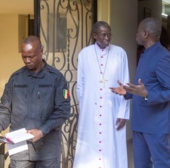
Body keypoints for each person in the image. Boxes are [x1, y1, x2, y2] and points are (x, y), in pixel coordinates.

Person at [110, 17, 170, 168]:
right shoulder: (145, 54)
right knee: (140, 164)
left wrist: (147, 94)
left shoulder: (163, 56)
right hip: (140, 123)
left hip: (157, 125)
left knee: (161, 164)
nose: (136, 34)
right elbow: (145, 87)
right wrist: (127, 91)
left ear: (146, 34)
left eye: (138, 31)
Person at [0, 35, 71, 168]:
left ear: (41, 51)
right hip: (20, 151)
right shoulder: (15, 78)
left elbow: (63, 111)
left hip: (47, 150)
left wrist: (42, 131)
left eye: (31, 56)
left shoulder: (56, 78)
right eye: (24, 56)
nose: (27, 60)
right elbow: (5, 109)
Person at [74, 21, 130, 168]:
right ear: (95, 35)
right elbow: (80, 86)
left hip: (113, 109)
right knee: (89, 150)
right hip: (90, 110)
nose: (107, 38)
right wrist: (85, 108)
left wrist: (123, 113)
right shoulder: (84, 54)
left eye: (109, 34)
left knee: (113, 148)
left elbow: (126, 86)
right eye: (104, 34)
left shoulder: (120, 53)